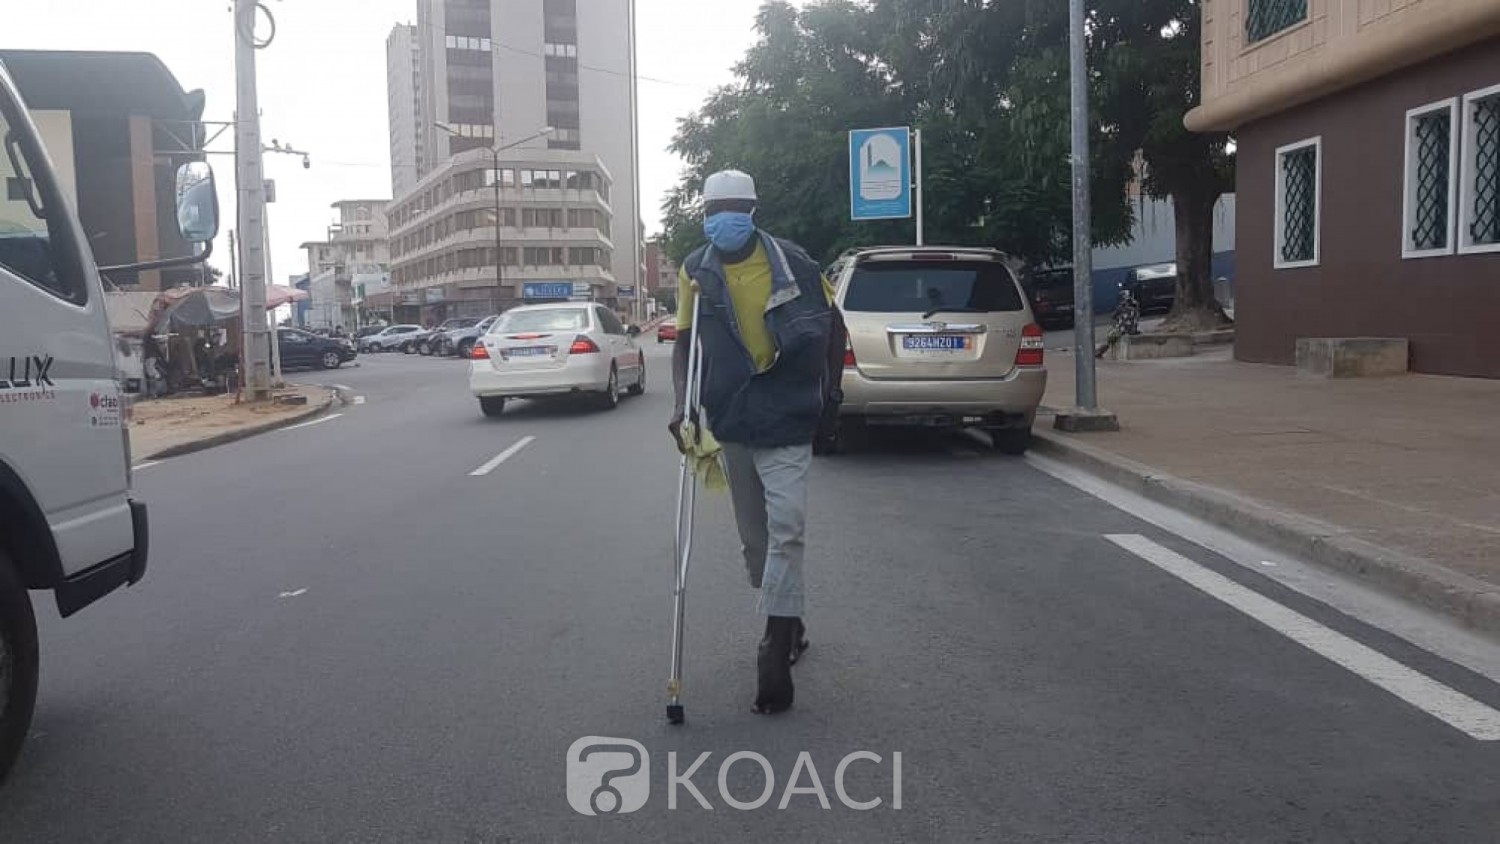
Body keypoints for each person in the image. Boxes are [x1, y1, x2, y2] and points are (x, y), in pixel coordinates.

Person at [669, 169, 844, 715]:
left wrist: (832, 394)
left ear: (751, 211)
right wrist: (682, 405)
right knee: (756, 541)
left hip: (788, 410)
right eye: (713, 210)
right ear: (704, 215)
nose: (722, 219)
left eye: (732, 208)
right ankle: (791, 619)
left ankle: (774, 641)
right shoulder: (696, 270)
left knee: (787, 526)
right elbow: (684, 343)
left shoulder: (795, 262)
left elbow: (833, 326)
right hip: (734, 415)